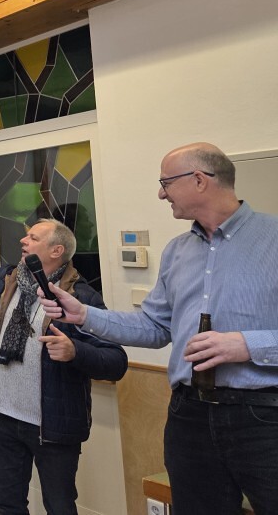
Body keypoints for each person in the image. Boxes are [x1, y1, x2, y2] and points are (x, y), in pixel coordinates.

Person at [39, 142, 278, 515]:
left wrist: (248, 345)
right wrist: (83, 314)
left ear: (199, 180)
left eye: (166, 182)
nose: (161, 193)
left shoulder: (274, 237)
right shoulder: (176, 250)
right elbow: (153, 326)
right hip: (189, 415)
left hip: (263, 415)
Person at [0, 218, 127, 515]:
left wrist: (75, 352)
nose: (23, 241)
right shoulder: (5, 281)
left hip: (53, 427)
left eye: (33, 238)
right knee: (8, 505)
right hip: (3, 417)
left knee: (59, 506)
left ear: (57, 251)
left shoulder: (80, 297)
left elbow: (116, 361)